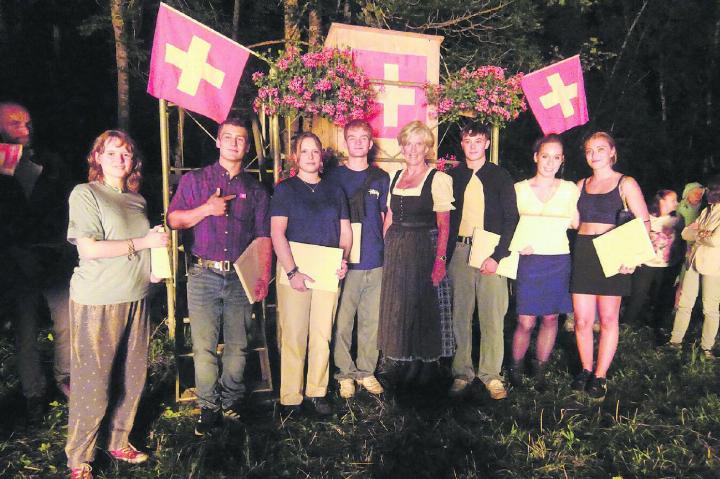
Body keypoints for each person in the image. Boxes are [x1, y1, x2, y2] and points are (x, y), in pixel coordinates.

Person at [65, 130, 169, 479]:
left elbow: (140, 248)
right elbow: (89, 248)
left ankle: (118, 440)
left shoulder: (137, 200)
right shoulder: (86, 194)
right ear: (98, 157)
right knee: (93, 383)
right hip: (98, 301)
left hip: (136, 298)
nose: (119, 159)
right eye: (111, 153)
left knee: (133, 377)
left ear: (133, 161)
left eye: (126, 154)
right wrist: (143, 241)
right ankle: (79, 459)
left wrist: (153, 268)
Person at [167, 117, 272, 435]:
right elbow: (174, 220)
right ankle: (209, 408)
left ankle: (231, 401)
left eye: (241, 139)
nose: (234, 143)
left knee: (239, 345)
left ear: (247, 146)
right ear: (217, 141)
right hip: (203, 275)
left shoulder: (255, 191)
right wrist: (206, 209)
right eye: (228, 137)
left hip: (240, 276)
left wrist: (262, 275)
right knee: (204, 346)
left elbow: (263, 237)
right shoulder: (196, 181)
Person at [0, 101, 74, 422]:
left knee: (67, 322)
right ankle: (33, 394)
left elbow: (67, 205)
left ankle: (66, 380)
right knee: (26, 330)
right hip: (16, 262)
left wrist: (62, 246)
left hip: (53, 256)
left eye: (28, 123)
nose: (25, 130)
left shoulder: (51, 161)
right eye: (16, 124)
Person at [270, 132, 351, 416]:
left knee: (321, 334)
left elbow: (345, 232)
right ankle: (291, 397)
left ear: (321, 156)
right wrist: (292, 271)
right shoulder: (285, 189)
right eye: (304, 151)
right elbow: (277, 232)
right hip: (295, 270)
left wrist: (344, 260)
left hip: (327, 270)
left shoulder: (334, 190)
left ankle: (317, 391)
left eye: (315, 151)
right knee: (293, 334)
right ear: (295, 157)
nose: (311, 156)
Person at [570, 131, 649, 399]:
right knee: (581, 320)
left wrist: (633, 257)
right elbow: (572, 221)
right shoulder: (580, 184)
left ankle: (600, 375)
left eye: (600, 149)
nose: (594, 155)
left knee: (608, 319)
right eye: (589, 150)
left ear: (612, 152)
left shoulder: (626, 183)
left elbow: (644, 222)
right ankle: (585, 369)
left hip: (613, 252)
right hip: (583, 252)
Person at [376, 121, 454, 390]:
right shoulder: (395, 176)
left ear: (427, 148)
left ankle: (427, 364)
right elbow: (389, 217)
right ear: (401, 146)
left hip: (423, 245)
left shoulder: (438, 179)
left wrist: (440, 260)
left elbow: (444, 225)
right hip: (397, 247)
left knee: (424, 305)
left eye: (418, 144)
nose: (412, 149)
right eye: (407, 143)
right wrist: (386, 249)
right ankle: (409, 361)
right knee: (403, 304)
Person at [446, 122, 518, 400]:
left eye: (478, 141)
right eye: (467, 141)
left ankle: (491, 374)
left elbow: (512, 218)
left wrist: (497, 256)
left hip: (490, 252)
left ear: (487, 143)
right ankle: (462, 372)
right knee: (460, 315)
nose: (473, 145)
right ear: (462, 144)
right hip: (461, 251)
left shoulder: (499, 176)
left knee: (491, 316)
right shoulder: (453, 176)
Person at [508, 135, 579, 390]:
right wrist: (517, 245)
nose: (550, 162)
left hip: (559, 259)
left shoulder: (571, 189)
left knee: (550, 318)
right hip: (529, 261)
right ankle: (515, 367)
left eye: (556, 157)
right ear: (536, 156)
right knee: (526, 321)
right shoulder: (519, 189)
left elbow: (578, 222)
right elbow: (505, 225)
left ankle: (540, 367)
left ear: (562, 160)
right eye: (545, 155)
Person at [326, 120, 389, 399]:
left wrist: (386, 250)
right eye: (353, 137)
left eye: (364, 137)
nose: (359, 142)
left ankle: (366, 370)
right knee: (342, 320)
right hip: (344, 261)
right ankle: (344, 373)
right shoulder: (333, 178)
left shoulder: (381, 177)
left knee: (370, 320)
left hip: (374, 258)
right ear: (345, 142)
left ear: (371, 142)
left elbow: (388, 217)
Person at [667, 175, 720, 358]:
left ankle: (707, 347)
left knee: (710, 308)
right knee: (684, 304)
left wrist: (698, 234)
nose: (710, 194)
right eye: (710, 191)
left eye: (714, 191)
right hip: (694, 261)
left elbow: (715, 240)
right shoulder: (706, 211)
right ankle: (675, 341)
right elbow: (684, 233)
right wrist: (701, 234)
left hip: (713, 267)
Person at [622, 189, 684, 331]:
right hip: (646, 263)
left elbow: (682, 239)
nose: (677, 203)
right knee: (638, 294)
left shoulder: (677, 218)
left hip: (668, 265)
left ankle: (657, 325)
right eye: (673, 200)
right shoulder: (646, 217)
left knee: (661, 295)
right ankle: (626, 325)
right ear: (661, 201)